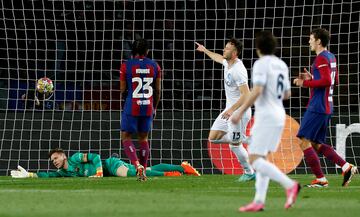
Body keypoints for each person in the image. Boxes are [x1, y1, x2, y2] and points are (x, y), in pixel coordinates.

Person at [231, 31, 300, 212]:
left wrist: (241, 111)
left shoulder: (261, 64)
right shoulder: (282, 65)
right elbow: (287, 94)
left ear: (258, 48)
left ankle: (290, 185)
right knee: (261, 158)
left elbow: (257, 90)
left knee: (254, 160)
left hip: (266, 116)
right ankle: (259, 201)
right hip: (279, 115)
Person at [293, 28, 358, 187]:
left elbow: (327, 81)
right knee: (316, 143)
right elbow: (330, 80)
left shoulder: (321, 58)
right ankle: (346, 166)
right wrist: (313, 77)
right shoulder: (330, 56)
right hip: (326, 105)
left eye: (311, 38)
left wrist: (305, 83)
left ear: (318, 41)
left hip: (318, 106)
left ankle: (321, 180)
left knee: (303, 141)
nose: (309, 41)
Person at [195, 39, 255, 182]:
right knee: (213, 137)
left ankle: (249, 172)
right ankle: (243, 138)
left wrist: (232, 110)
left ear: (234, 53)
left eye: (227, 49)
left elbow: (246, 94)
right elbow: (217, 57)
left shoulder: (238, 70)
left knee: (235, 146)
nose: (224, 50)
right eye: (225, 47)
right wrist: (205, 50)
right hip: (229, 110)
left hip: (239, 112)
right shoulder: (227, 63)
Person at [120, 38, 161, 181]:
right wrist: (154, 107)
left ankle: (137, 165)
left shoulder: (126, 65)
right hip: (148, 106)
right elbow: (157, 90)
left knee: (126, 136)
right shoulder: (155, 66)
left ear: (133, 51)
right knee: (143, 138)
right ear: (147, 51)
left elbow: (122, 89)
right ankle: (143, 169)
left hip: (132, 105)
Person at [10, 148, 201, 178]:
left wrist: (100, 171)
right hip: (106, 171)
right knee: (147, 168)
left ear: (63, 155)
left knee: (134, 174)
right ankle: (182, 166)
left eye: (56, 158)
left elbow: (95, 157)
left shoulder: (76, 157)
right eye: (52, 161)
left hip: (110, 165)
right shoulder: (64, 173)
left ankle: (171, 174)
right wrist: (31, 174)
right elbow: (49, 175)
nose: (55, 162)